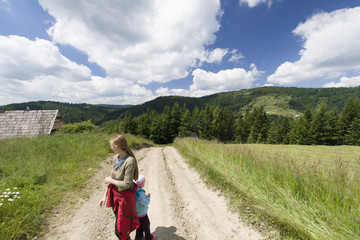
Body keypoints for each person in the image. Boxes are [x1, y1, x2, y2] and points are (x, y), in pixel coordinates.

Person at [99, 135, 140, 240]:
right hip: (115, 196)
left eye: (111, 145)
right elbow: (112, 179)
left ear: (116, 146)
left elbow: (126, 183)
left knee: (119, 231)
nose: (111, 147)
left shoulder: (130, 161)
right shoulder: (115, 158)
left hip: (125, 199)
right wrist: (105, 196)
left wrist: (110, 180)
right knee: (122, 225)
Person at [134, 175, 156, 240]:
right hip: (142, 214)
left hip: (137, 213)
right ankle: (149, 237)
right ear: (142, 184)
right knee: (146, 225)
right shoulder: (140, 193)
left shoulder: (134, 191)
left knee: (139, 226)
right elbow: (145, 202)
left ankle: (138, 237)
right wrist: (148, 197)